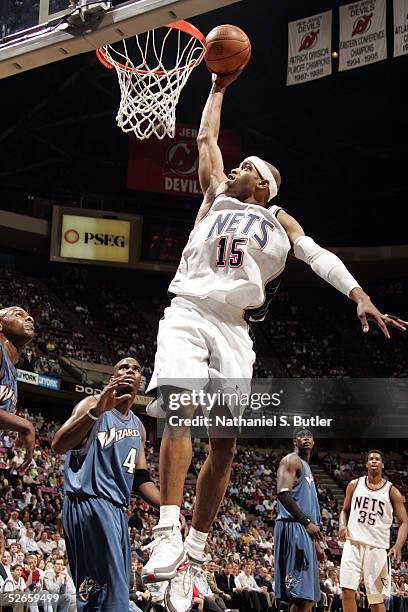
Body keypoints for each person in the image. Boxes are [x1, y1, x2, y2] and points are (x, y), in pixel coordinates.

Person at [142, 67, 408, 612]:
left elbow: (317, 255)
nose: (234, 168)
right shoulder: (215, 196)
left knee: (225, 443)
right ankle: (169, 527)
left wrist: (357, 292)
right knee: (180, 410)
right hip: (190, 310)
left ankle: (195, 547)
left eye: (247, 168)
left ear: (264, 185)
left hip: (236, 328)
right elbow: (206, 140)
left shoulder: (280, 220)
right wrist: (217, 87)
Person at [52, 357, 161, 611]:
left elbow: (141, 479)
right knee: (111, 595)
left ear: (141, 382)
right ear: (113, 376)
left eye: (136, 369)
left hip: (116, 510)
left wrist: (169, 508)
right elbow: (59, 444)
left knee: (102, 593)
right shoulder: (91, 405)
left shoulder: (138, 426)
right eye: (123, 367)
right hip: (88, 501)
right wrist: (96, 410)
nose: (130, 371)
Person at [339, 450, 408, 612]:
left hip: (377, 549)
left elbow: (404, 521)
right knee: (347, 592)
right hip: (353, 544)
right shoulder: (354, 485)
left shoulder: (392, 492)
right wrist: (342, 525)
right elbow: (344, 510)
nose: (374, 461)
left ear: (382, 464)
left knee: (376, 600)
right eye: (371, 459)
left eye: (377, 459)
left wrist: (397, 546)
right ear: (366, 464)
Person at [274, 429, 324, 612]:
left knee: (310, 598)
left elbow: (308, 505)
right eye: (302, 436)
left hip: (304, 531)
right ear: (294, 440)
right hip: (293, 527)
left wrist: (316, 545)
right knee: (300, 596)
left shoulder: (307, 466)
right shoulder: (291, 460)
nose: (306, 438)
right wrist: (306, 523)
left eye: (309, 435)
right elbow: (283, 495)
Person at [0, 306, 36, 470]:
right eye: (19, 314)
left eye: (29, 317)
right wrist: (25, 426)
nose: (30, 319)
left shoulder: (12, 370)